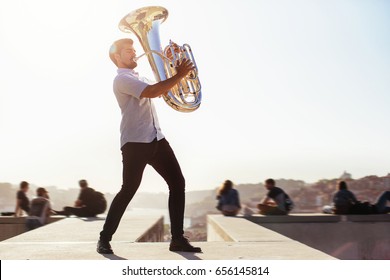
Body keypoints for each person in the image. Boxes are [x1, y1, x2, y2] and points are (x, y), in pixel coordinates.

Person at [97, 38, 201, 254]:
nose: (134, 53)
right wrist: (180, 74)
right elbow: (153, 91)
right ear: (117, 57)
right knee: (128, 190)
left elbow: (163, 88)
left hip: (156, 138)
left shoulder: (139, 77)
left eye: (134, 50)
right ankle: (104, 238)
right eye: (128, 51)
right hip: (135, 142)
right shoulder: (121, 80)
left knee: (177, 182)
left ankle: (177, 239)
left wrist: (172, 60)